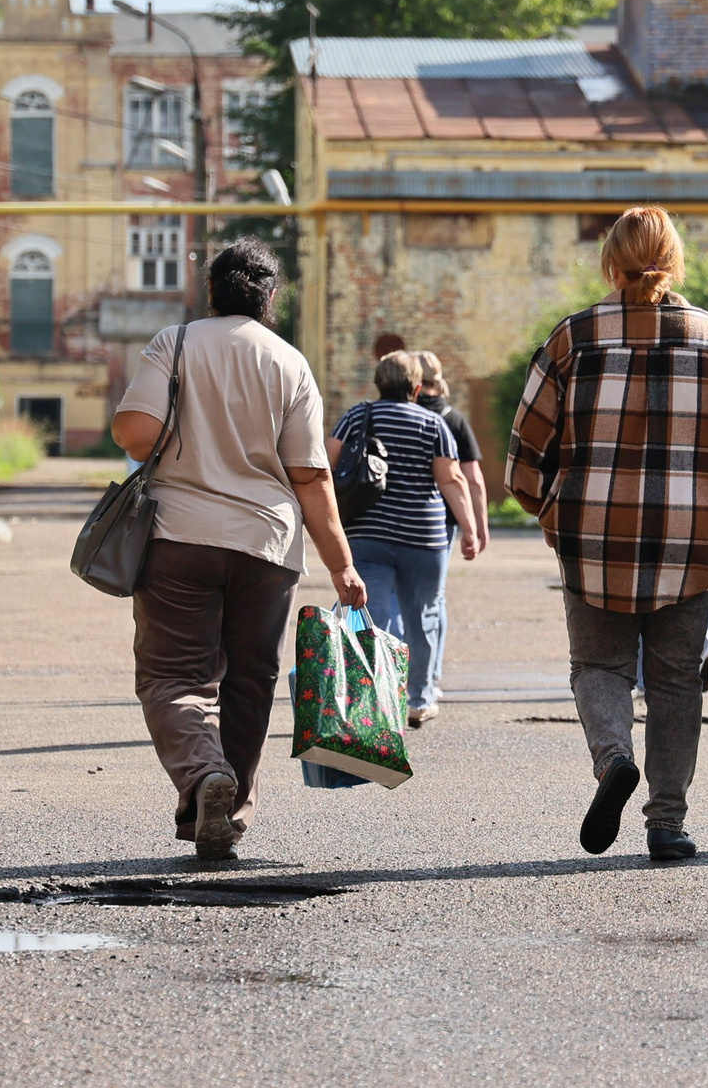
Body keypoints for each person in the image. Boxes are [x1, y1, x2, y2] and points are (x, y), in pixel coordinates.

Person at [505, 206, 708, 864]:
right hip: (689, 549)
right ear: (675, 260)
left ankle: (612, 761)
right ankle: (667, 822)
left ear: (612, 263)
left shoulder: (573, 340)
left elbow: (523, 452)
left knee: (598, 666)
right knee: (674, 683)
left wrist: (552, 514)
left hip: (593, 543)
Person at [111, 238, 369, 862]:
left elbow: (135, 435)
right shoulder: (290, 362)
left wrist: (181, 418)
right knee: (251, 681)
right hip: (267, 546)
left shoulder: (173, 343)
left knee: (174, 675)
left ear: (212, 292)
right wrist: (342, 565)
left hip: (178, 537)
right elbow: (309, 474)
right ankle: (233, 810)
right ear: (270, 298)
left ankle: (205, 778)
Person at [329, 353, 480, 730]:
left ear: (378, 383)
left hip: (368, 533)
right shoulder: (433, 423)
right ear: (416, 387)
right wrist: (470, 529)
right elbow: (451, 480)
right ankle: (419, 700)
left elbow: (326, 467)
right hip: (423, 538)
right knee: (423, 615)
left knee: (370, 616)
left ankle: (373, 697)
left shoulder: (356, 416)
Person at [399, 351, 488, 726]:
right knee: (431, 601)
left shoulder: (395, 411)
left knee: (398, 601)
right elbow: (471, 479)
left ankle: (403, 680)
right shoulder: (452, 419)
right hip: (439, 523)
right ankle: (430, 679)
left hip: (389, 520)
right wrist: (478, 527)